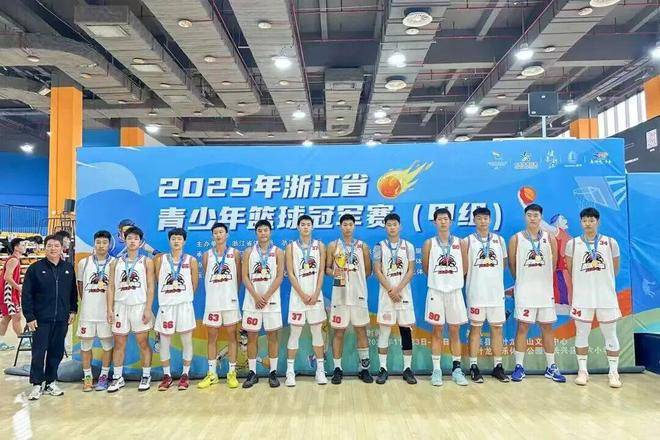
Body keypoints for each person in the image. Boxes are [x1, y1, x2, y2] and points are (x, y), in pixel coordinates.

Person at [508, 203, 566, 383]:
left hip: (545, 292)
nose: (533, 218)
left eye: (536, 215)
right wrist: (523, 281)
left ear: (541, 218)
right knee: (522, 328)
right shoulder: (516, 239)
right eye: (529, 215)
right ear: (525, 217)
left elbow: (554, 263)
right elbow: (512, 265)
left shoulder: (550, 238)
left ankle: (551, 366)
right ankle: (519, 366)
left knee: (547, 328)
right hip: (525, 292)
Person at [566, 207, 622, 388]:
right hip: (582, 297)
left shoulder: (610, 242)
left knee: (610, 334)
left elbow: (615, 269)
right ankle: (583, 371)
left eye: (591, 220)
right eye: (584, 220)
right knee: (582, 333)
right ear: (580, 222)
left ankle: (613, 373)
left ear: (598, 221)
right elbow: (570, 269)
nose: (588, 223)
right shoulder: (573, 244)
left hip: (606, 296)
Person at [21, 234, 78, 400]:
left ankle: (51, 381)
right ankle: (37, 384)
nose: (53, 248)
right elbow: (26, 294)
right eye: (50, 246)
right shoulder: (35, 269)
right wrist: (29, 316)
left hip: (61, 319)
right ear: (45, 248)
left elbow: (72, 292)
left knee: (56, 351)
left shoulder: (68, 268)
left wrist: (73, 310)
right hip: (40, 319)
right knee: (38, 352)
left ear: (62, 249)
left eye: (56, 246)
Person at [422, 208, 469, 386]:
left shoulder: (460, 243)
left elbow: (465, 268)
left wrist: (451, 280)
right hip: (436, 292)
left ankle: (457, 369)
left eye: (445, 219)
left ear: (451, 221)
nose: (443, 222)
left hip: (455, 292)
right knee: (437, 331)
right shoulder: (429, 244)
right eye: (439, 219)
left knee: (455, 331)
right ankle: (437, 370)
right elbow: (426, 268)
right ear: (434, 222)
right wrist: (440, 280)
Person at [106, 226, 155, 392]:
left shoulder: (146, 261)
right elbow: (111, 287)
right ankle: (117, 377)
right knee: (119, 343)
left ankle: (146, 375)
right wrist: (109, 309)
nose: (133, 241)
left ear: (141, 242)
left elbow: (151, 287)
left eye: (136, 238)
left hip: (139, 306)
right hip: (120, 307)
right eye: (129, 238)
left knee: (143, 342)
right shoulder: (115, 262)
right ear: (124, 240)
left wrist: (148, 308)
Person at [326, 213, 373, 384]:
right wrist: (336, 273)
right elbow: (327, 269)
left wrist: (355, 280)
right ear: (340, 227)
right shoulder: (333, 246)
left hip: (358, 295)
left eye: (350, 224)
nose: (347, 227)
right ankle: (337, 369)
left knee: (361, 330)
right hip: (339, 295)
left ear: (354, 226)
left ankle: (364, 369)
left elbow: (368, 271)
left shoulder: (362, 246)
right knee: (339, 332)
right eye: (344, 224)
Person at [464, 207, 509, 383]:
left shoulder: (499, 240)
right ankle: (473, 366)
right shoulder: (467, 241)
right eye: (479, 218)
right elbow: (464, 268)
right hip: (476, 293)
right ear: (474, 220)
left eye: (485, 218)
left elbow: (504, 264)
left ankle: (498, 366)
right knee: (475, 329)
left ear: (490, 220)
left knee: (497, 329)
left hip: (495, 294)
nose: (483, 221)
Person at [373, 213, 417, 385]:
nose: (392, 227)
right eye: (389, 224)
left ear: (400, 226)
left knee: (406, 331)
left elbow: (411, 270)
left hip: (403, 294)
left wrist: (398, 289)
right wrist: (391, 290)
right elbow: (377, 270)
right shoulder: (379, 246)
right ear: (385, 227)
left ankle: (407, 369)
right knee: (384, 331)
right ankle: (383, 369)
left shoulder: (409, 246)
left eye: (394, 224)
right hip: (386, 295)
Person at [241, 220, 284, 388]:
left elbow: (279, 276)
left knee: (272, 336)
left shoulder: (278, 252)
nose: (263, 233)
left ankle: (273, 372)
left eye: (266, 230)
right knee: (252, 337)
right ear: (256, 233)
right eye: (260, 230)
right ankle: (252, 373)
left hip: (271, 301)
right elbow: (244, 276)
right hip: (252, 301)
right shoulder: (248, 252)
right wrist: (256, 296)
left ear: (270, 232)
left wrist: (265, 296)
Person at [285, 215, 327, 386]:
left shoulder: (320, 245)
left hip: (316, 297)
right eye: (302, 224)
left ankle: (320, 370)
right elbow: (290, 273)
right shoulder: (291, 247)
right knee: (294, 333)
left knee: (317, 333)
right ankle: (289, 372)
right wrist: (302, 294)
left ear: (312, 227)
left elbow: (321, 271)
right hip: (298, 297)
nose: (305, 227)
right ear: (298, 227)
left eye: (308, 224)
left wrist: (316, 293)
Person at [198, 222, 241, 389]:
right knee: (212, 338)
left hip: (230, 302)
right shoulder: (207, 255)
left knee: (232, 337)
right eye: (215, 233)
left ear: (227, 234)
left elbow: (238, 278)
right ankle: (212, 374)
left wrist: (232, 295)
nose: (218, 235)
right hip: (213, 303)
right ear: (212, 236)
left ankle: (232, 373)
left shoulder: (234, 253)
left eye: (221, 232)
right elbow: (207, 277)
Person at [154, 228, 198, 391]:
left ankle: (185, 374)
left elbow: (194, 283)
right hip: (166, 306)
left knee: (187, 341)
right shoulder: (160, 260)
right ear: (169, 241)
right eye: (173, 238)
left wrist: (183, 296)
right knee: (165, 342)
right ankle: (167, 376)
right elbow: (158, 280)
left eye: (179, 238)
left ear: (184, 241)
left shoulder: (191, 260)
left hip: (184, 305)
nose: (176, 241)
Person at [76, 231, 115, 391]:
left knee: (107, 345)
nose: (101, 246)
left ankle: (103, 377)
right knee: (86, 345)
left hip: (106, 313)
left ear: (109, 245)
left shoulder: (115, 263)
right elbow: (80, 285)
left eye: (104, 242)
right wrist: (87, 302)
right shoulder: (83, 263)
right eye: (98, 242)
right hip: (88, 313)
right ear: (94, 243)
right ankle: (87, 377)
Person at [0, 238, 26, 350]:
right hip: (8, 293)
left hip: (9, 292)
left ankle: (0, 341)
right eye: (23, 245)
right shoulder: (14, 260)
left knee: (7, 318)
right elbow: (7, 277)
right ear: (16, 247)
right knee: (17, 316)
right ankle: (23, 341)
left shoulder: (14, 259)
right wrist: (18, 288)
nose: (25, 247)